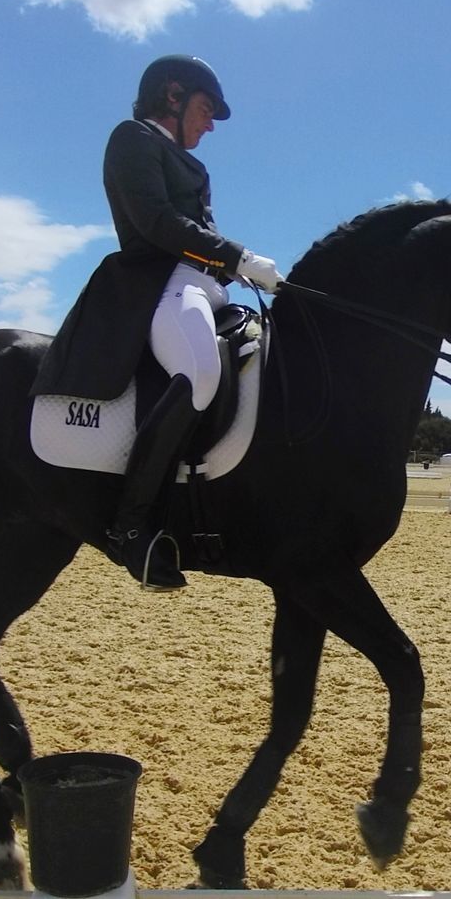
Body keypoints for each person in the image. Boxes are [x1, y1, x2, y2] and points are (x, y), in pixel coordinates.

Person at [30, 54, 281, 591]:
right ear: (173, 95)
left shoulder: (191, 164)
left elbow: (197, 232)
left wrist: (234, 270)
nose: (210, 124)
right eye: (206, 109)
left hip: (201, 284)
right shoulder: (132, 140)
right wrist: (236, 255)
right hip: (157, 282)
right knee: (199, 371)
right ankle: (130, 527)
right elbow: (158, 223)